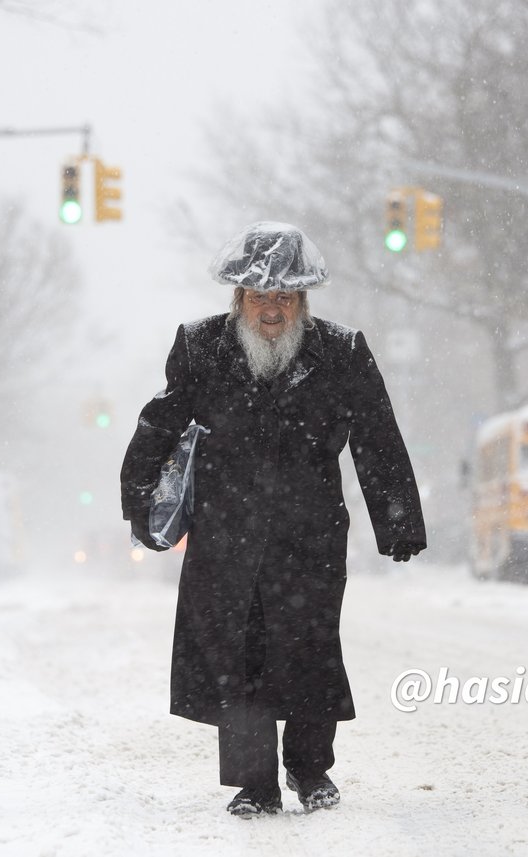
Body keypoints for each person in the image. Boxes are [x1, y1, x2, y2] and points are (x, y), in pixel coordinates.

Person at [120, 221, 426, 818]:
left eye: (285, 296)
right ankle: (254, 783)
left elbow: (378, 437)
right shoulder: (199, 346)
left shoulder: (341, 351)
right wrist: (141, 502)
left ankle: (312, 772)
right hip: (225, 533)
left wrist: (397, 519)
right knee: (238, 656)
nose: (272, 308)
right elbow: (160, 423)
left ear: (303, 301)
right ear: (238, 299)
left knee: (310, 648)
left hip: (310, 534)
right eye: (260, 296)